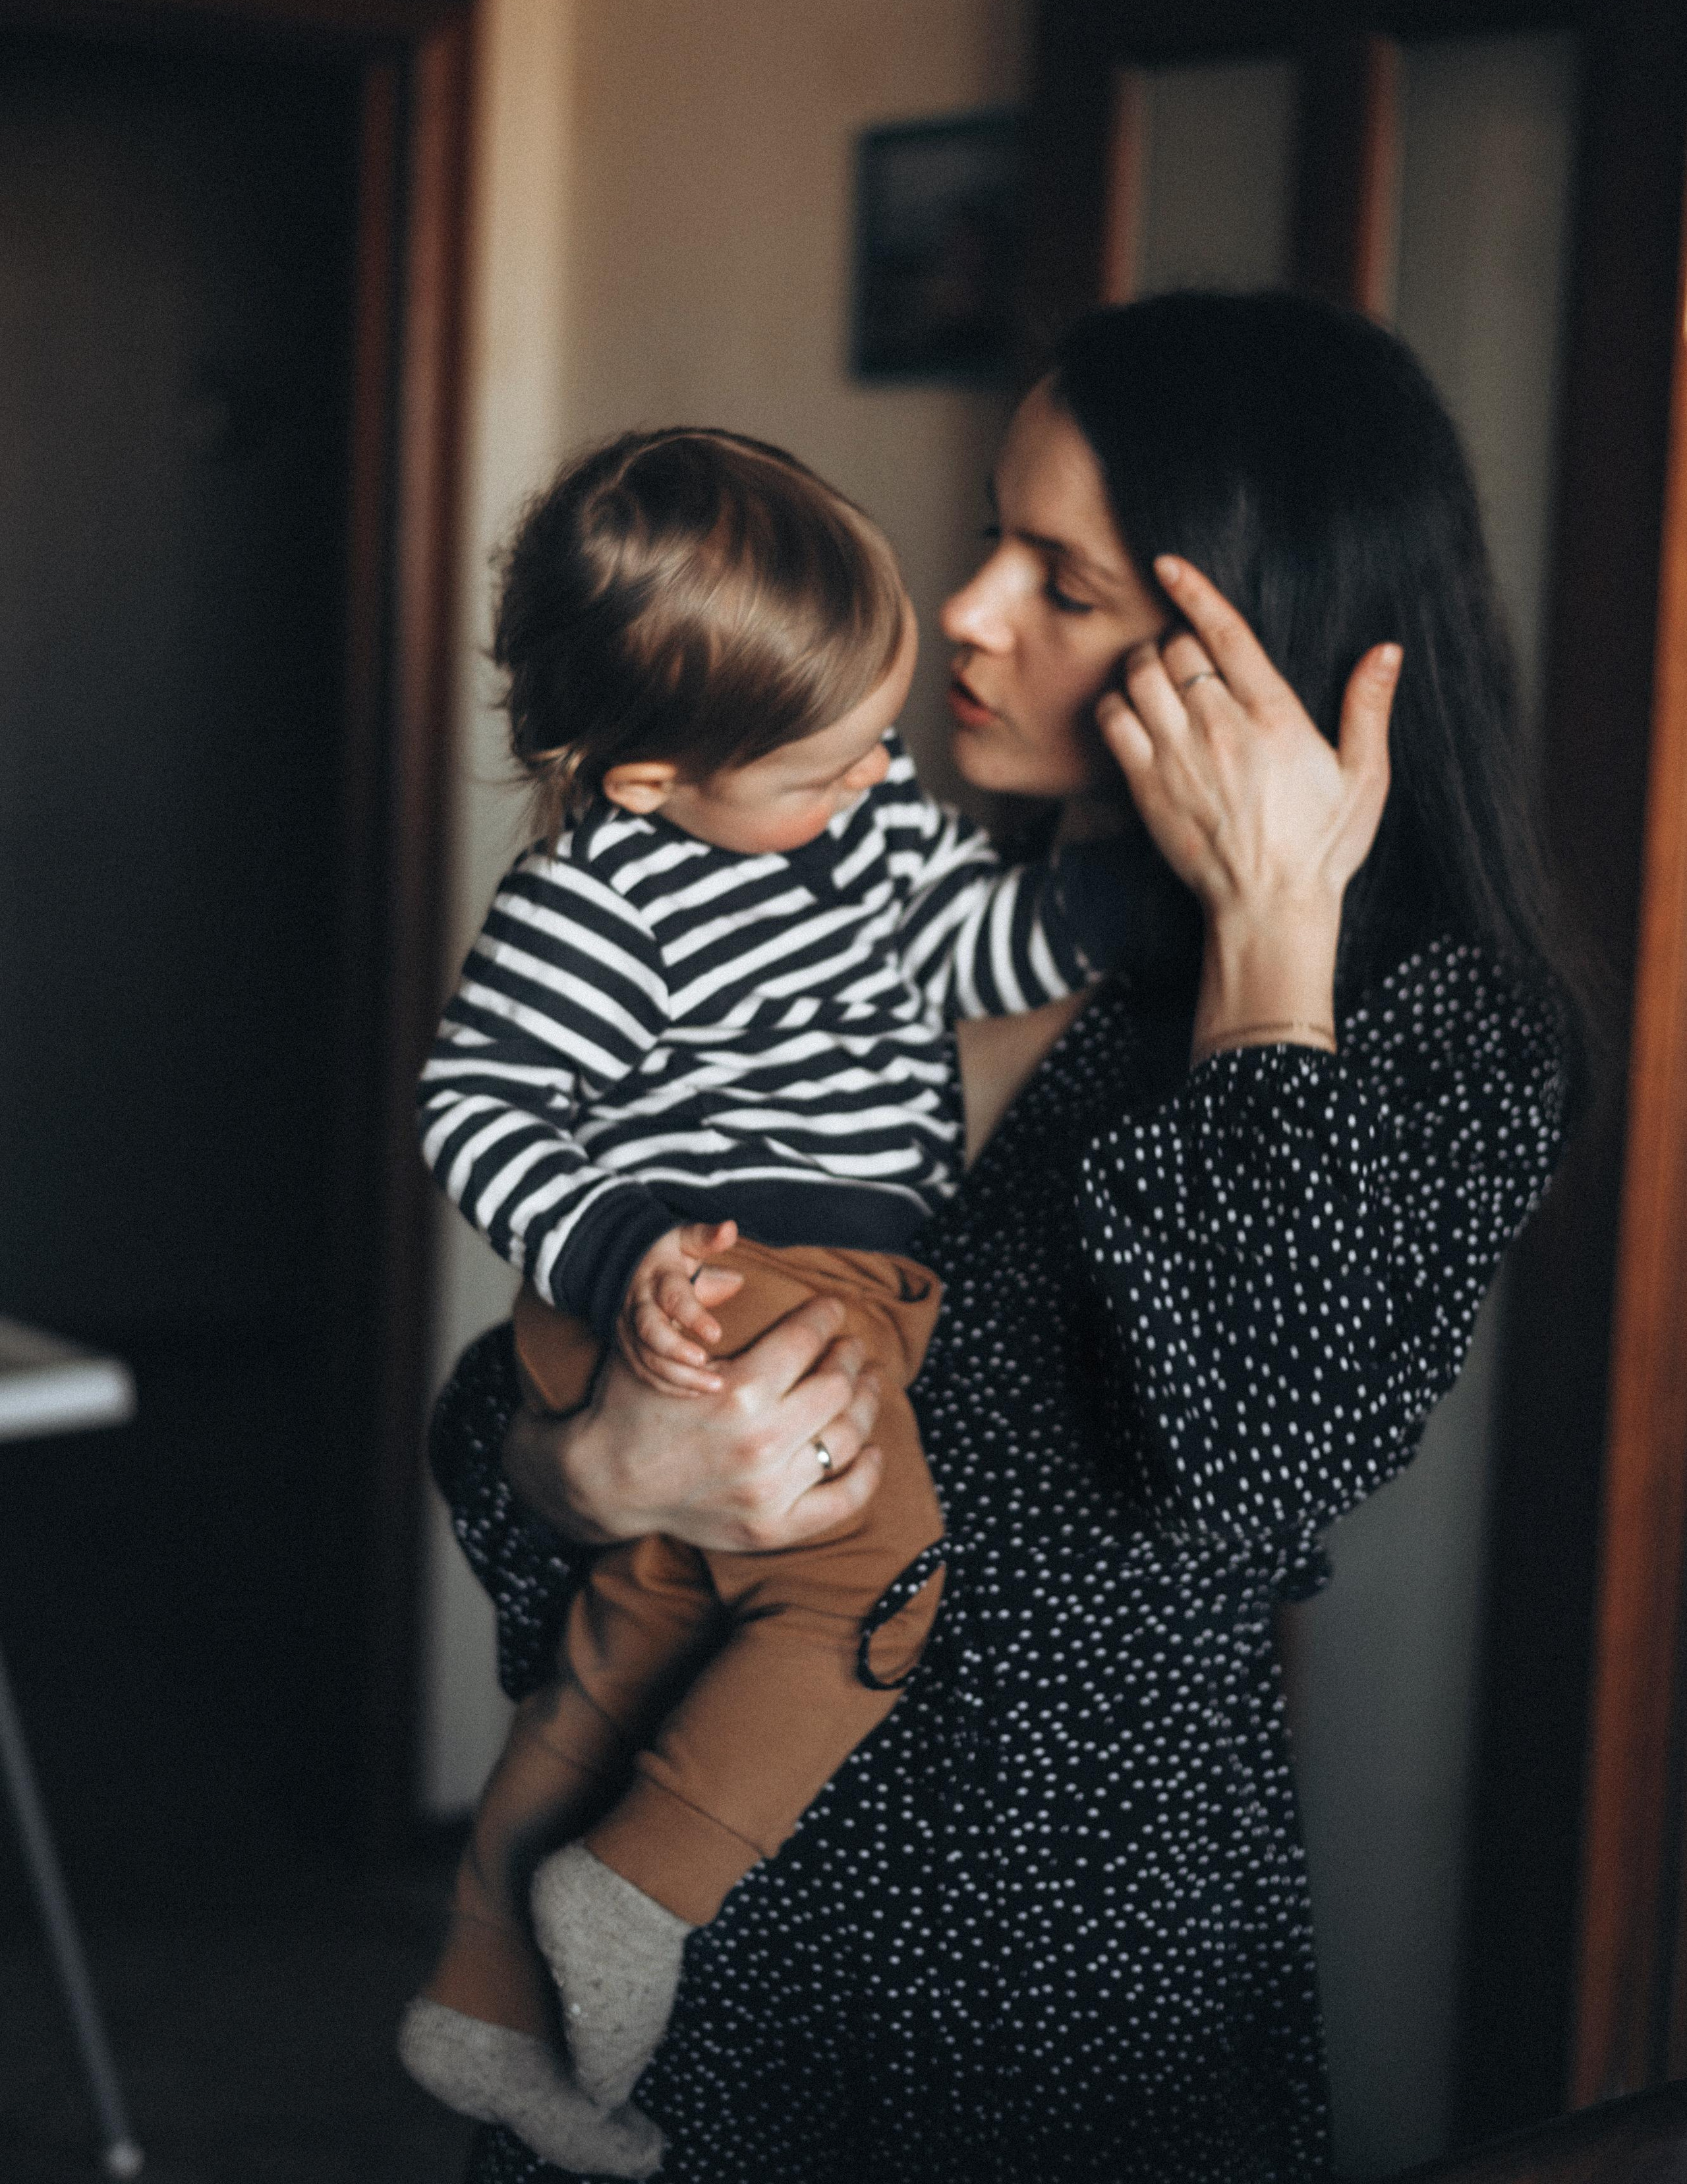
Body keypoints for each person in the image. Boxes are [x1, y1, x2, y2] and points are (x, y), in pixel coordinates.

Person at [427, 293, 1582, 2183]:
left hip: (1045, 1996)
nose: (966, 615)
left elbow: (1262, 1455)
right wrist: (584, 1467)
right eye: (990, 540)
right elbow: (510, 1389)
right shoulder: (856, 898)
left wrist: (1272, 943)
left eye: (1066, 581)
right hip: (671, 1923)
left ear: (1249, 642)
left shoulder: (1437, 1029)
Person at [399, 427, 1129, 2168]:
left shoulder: (857, 813)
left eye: (881, 735)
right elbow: (475, 1103)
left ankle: (482, 2008)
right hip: (711, 1268)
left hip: (803, 1271)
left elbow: (975, 941)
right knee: (875, 1576)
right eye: (825, 762)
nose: (881, 774)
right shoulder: (605, 893)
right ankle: (642, 1889)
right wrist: (606, 1256)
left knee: (625, 1654)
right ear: (648, 780)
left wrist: (1141, 888)